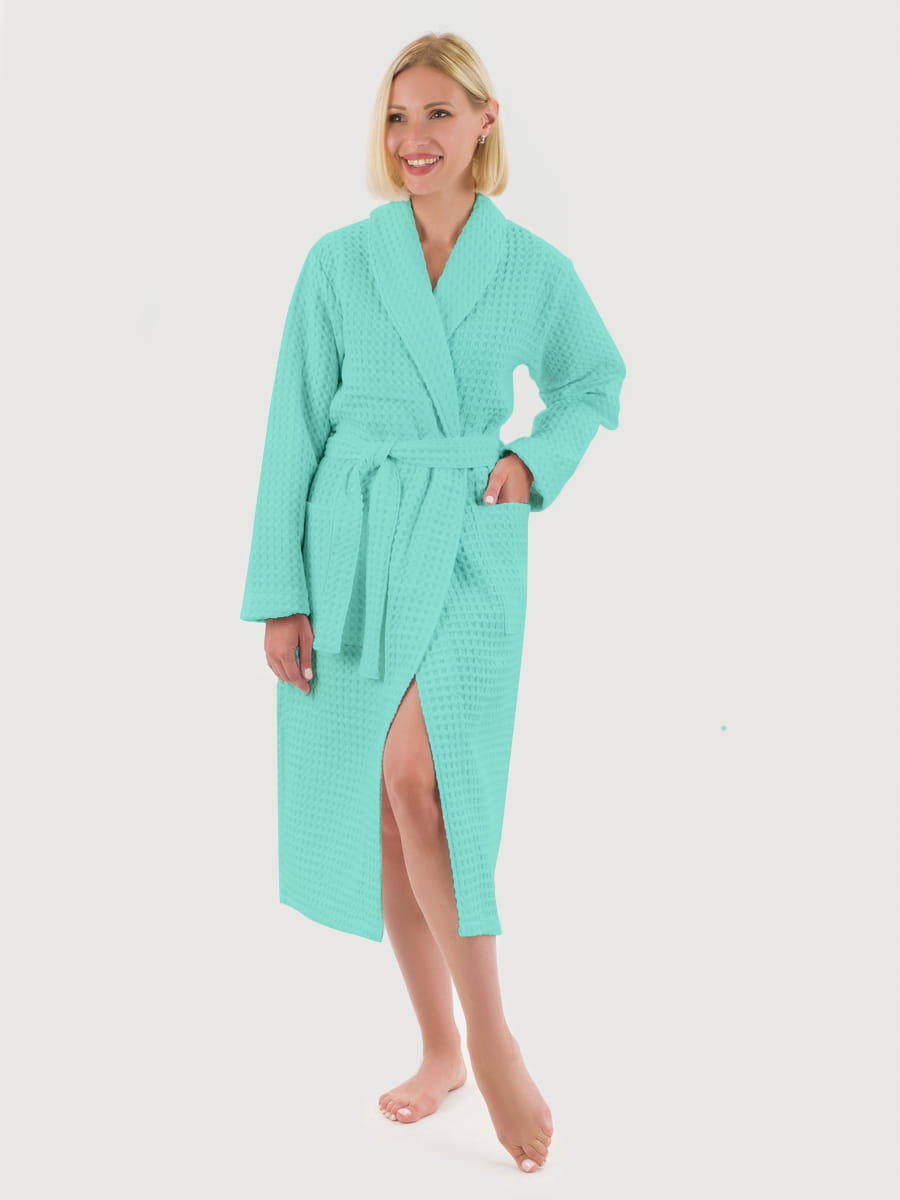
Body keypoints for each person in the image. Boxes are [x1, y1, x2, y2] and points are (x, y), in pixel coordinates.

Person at [239, 31, 626, 1175]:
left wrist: (533, 463)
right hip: (352, 544)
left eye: (439, 115)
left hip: (463, 541)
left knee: (424, 779)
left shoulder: (532, 267)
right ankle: (440, 1045)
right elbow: (292, 424)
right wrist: (280, 593)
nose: (415, 138)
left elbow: (594, 377)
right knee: (385, 809)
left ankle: (491, 1041)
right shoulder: (339, 263)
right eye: (398, 116)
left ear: (486, 121)